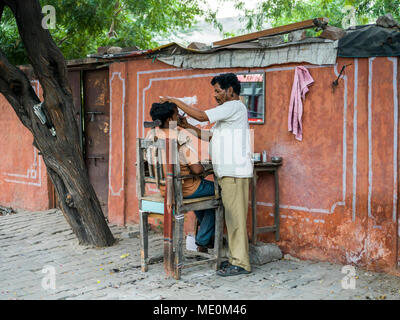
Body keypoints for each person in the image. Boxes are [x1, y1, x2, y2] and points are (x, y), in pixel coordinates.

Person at [160, 73, 253, 277]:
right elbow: (209, 135)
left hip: (235, 172)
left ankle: (241, 263)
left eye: (218, 91)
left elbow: (202, 116)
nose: (215, 95)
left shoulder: (233, 106)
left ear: (230, 90)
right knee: (231, 217)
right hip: (227, 172)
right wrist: (188, 127)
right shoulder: (227, 114)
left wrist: (176, 101)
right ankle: (233, 258)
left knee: (235, 219)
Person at [147, 101, 216, 252]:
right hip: (184, 189)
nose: (179, 116)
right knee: (219, 194)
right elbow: (197, 170)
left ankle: (205, 237)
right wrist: (205, 165)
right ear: (169, 120)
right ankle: (203, 239)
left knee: (204, 195)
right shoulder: (180, 137)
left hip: (165, 189)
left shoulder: (151, 136)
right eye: (176, 114)